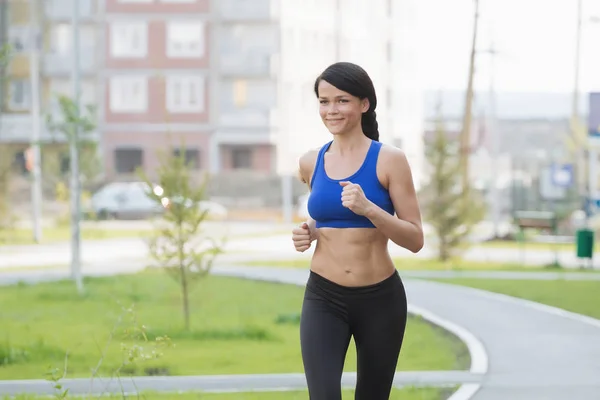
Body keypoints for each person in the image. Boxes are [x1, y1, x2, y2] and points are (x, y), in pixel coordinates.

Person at [291, 61, 424, 400]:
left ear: (364, 104)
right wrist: (309, 230)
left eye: (342, 100)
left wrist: (369, 209)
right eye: (324, 101)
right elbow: (327, 218)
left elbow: (414, 238)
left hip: (380, 300)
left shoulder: (389, 160)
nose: (331, 110)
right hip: (324, 297)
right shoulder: (310, 162)